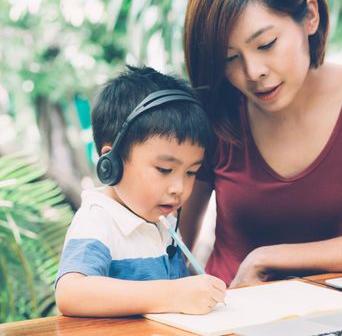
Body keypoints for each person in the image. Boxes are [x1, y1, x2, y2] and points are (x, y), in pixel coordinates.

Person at [182, 0, 342, 287]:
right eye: (230, 58)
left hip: (335, 317)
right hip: (235, 316)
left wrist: (266, 258)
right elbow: (173, 246)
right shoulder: (215, 110)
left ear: (310, 16)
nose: (253, 72)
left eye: (266, 44)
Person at [55, 66, 226, 317]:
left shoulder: (161, 222)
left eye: (191, 172)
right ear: (111, 162)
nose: (179, 188)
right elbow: (71, 293)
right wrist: (174, 294)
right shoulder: (98, 220)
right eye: (164, 169)